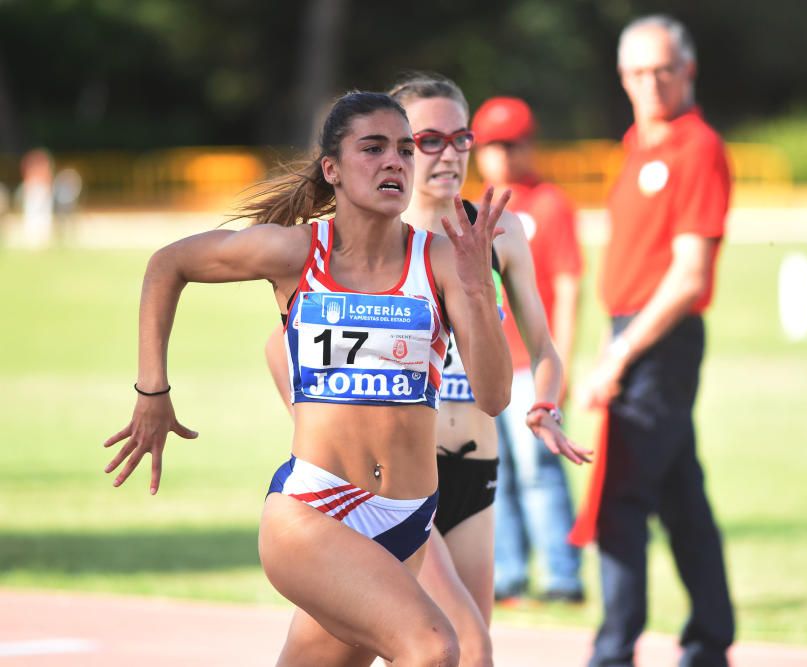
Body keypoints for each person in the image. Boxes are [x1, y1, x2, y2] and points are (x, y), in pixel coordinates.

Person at [104, 90, 515, 667]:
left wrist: (476, 289)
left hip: (406, 518)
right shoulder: (297, 252)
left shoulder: (444, 261)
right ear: (333, 169)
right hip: (313, 508)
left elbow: (495, 396)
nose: (394, 162)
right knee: (436, 648)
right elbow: (168, 264)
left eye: (403, 149)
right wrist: (153, 391)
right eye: (372, 149)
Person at [264, 75, 591, 666]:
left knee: (340, 651)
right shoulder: (385, 237)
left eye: (462, 138)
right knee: (463, 646)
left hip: (478, 471)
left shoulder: (500, 228)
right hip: (403, 478)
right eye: (430, 139)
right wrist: (329, 428)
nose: (451, 153)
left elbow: (543, 349)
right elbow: (281, 342)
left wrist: (544, 402)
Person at [571, 15, 736, 667]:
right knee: (680, 498)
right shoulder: (638, 142)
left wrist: (619, 353)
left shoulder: (697, 148)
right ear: (622, 77)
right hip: (634, 332)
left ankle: (613, 653)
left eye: (664, 69)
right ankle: (709, 641)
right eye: (638, 72)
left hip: (658, 338)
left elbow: (689, 274)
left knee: (620, 500)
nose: (652, 83)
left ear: (688, 70)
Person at [470, 97, 585, 603]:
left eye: (511, 144)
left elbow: (570, 284)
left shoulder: (549, 204)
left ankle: (563, 576)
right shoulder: (470, 209)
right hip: (487, 364)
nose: (501, 156)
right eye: (491, 146)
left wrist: (564, 362)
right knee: (494, 471)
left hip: (531, 364)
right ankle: (509, 574)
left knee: (539, 468)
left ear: (529, 145)